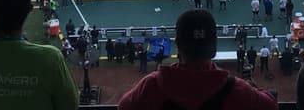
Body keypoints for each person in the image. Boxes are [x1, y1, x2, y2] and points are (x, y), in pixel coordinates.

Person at [117, 9, 275, 110]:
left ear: (178, 44)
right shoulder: (237, 90)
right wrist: (253, 88)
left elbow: (123, 107)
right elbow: (270, 105)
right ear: (214, 45)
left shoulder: (151, 86)